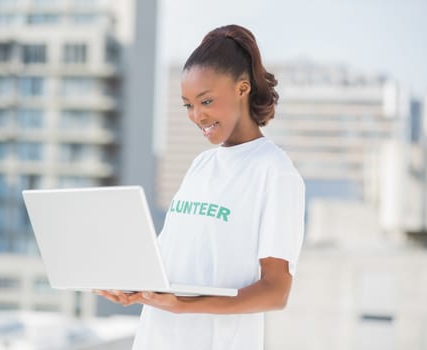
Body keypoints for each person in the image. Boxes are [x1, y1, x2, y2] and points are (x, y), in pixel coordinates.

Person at [95, 24, 305, 349]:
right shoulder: (201, 165)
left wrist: (186, 306)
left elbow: (276, 292)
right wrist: (130, 284)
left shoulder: (275, 172)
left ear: (242, 88)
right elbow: (170, 260)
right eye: (188, 105)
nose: (196, 116)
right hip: (157, 338)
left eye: (206, 101)